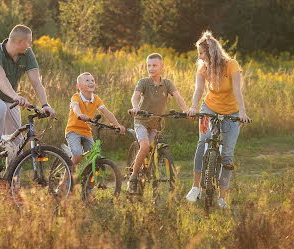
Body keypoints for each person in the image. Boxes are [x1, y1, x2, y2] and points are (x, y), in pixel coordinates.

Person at [0, 25, 55, 170]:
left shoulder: (27, 54)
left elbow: (36, 82)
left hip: (9, 100)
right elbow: (0, 78)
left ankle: (11, 185)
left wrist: (45, 105)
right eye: (29, 42)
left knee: (16, 145)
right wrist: (15, 96)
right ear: (19, 42)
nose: (30, 45)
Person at [185, 31, 251, 209]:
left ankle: (222, 197)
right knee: (203, 141)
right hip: (209, 107)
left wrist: (242, 113)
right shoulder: (203, 67)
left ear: (211, 52)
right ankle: (195, 187)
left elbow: (237, 90)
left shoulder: (231, 65)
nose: (199, 57)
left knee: (227, 153)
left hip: (231, 111)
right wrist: (193, 107)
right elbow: (199, 90)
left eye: (201, 53)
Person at [127, 53, 188, 194]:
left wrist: (185, 110)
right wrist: (135, 107)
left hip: (155, 123)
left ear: (162, 67)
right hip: (141, 121)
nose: (151, 68)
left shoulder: (167, 83)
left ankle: (150, 173)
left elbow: (177, 96)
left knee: (151, 149)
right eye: (149, 65)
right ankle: (133, 177)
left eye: (154, 65)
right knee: (144, 147)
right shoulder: (143, 82)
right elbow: (134, 97)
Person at [65, 72, 125, 169]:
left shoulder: (96, 98)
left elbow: (107, 112)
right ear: (79, 86)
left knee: (95, 158)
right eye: (87, 80)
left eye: (92, 80)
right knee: (77, 155)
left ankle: (90, 183)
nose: (91, 82)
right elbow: (75, 107)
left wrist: (117, 124)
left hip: (86, 132)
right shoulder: (76, 97)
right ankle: (65, 180)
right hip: (73, 131)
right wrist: (80, 115)